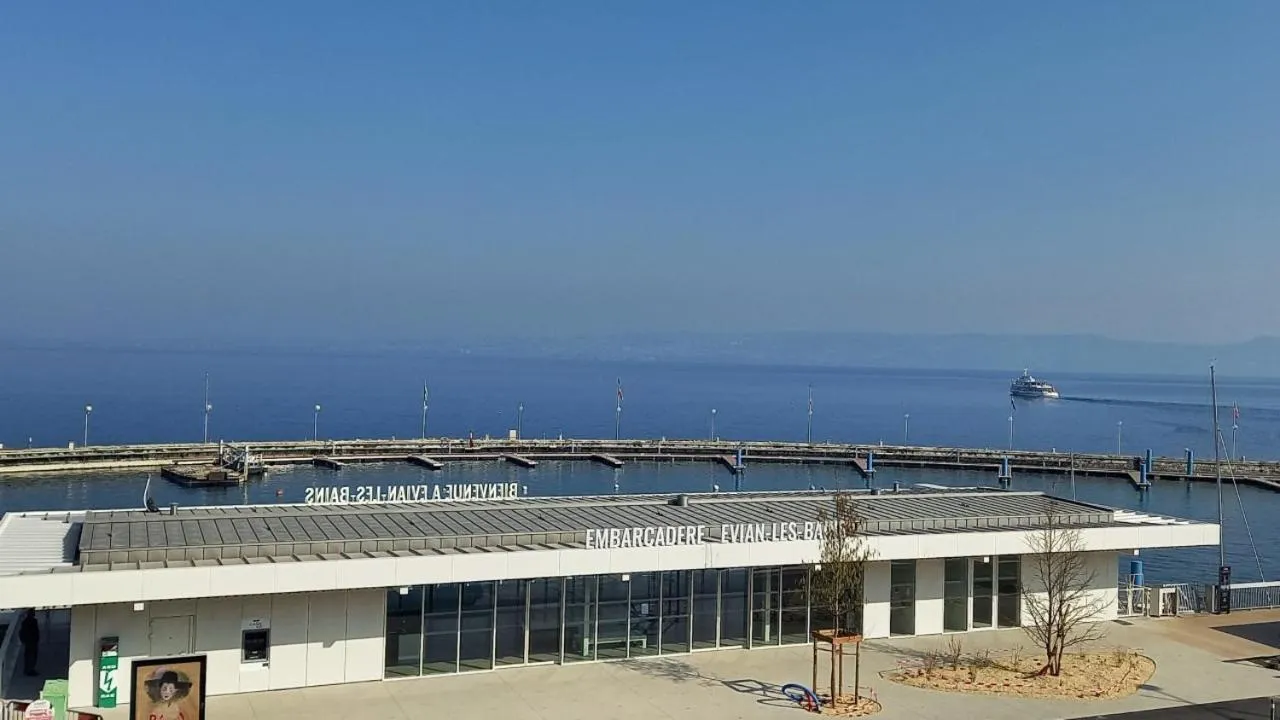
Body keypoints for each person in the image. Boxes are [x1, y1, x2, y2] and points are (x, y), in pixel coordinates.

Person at [18, 608, 39, 676]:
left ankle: (28, 669)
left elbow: (21, 632)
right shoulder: (31, 621)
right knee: (31, 656)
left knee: (29, 656)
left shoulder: (26, 622)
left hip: (30, 641)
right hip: (31, 641)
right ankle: (30, 670)